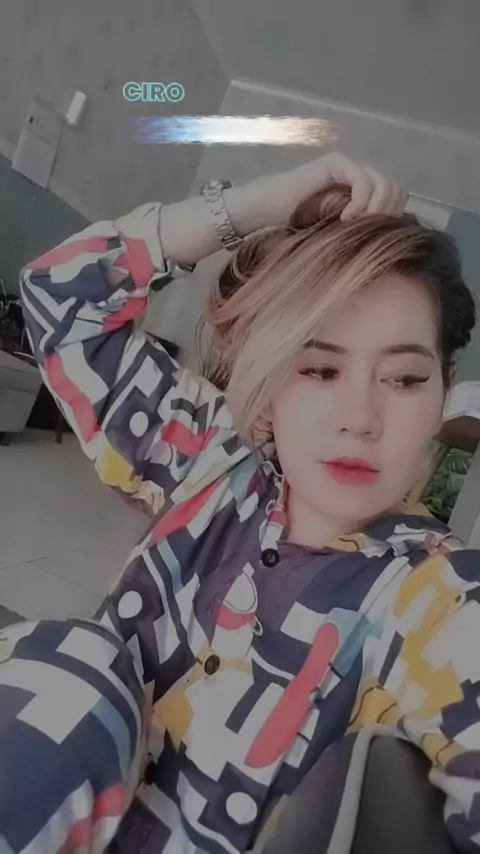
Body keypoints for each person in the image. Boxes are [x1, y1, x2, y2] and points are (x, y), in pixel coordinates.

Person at [1, 152, 479, 854]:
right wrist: (253, 207)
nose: (361, 418)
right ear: (271, 378)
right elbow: (60, 295)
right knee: (72, 668)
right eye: (319, 368)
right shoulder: (208, 456)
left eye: (405, 379)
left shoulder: (438, 600)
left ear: (441, 395)